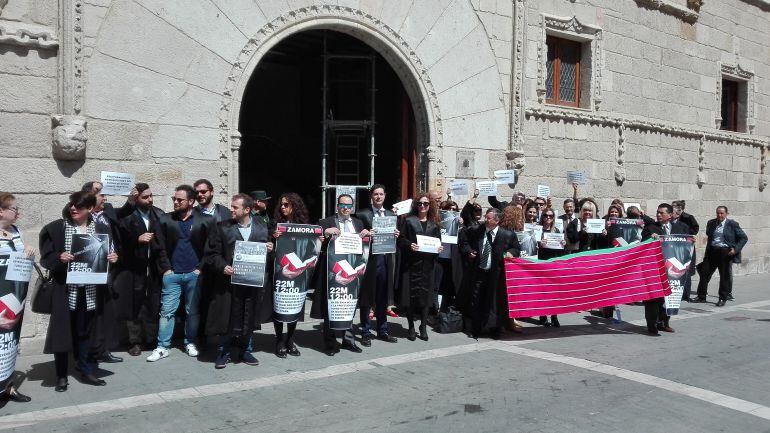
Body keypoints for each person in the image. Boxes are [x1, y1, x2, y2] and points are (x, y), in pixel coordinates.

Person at [39, 192, 119, 391]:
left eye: (79, 206)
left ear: (90, 209)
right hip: (65, 290)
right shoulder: (57, 228)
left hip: (90, 290)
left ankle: (86, 369)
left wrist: (113, 259)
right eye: (72, 204)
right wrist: (60, 258)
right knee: (62, 332)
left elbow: (109, 255)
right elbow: (46, 259)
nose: (74, 208)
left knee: (85, 332)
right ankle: (61, 375)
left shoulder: (101, 229)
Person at [146, 185, 216, 362]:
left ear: (191, 201)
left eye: (179, 200)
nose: (175, 202)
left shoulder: (205, 220)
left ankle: (190, 342)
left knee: (192, 311)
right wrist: (166, 269)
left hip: (195, 274)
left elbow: (211, 247)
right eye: (174, 199)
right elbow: (158, 246)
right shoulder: (165, 220)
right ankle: (162, 347)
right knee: (166, 312)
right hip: (172, 275)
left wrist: (200, 268)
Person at [205, 194, 272, 368]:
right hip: (229, 284)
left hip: (251, 283)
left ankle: (245, 351)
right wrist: (222, 266)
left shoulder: (261, 228)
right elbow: (212, 254)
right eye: (232, 207)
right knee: (228, 318)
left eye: (235, 207)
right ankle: (224, 352)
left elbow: (266, 258)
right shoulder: (222, 227)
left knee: (248, 317)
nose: (231, 210)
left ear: (247, 210)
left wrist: (271, 249)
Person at [312, 194, 367, 355]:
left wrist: (366, 235)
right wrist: (325, 232)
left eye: (349, 205)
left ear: (352, 207)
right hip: (333, 273)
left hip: (352, 272)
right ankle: (329, 343)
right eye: (342, 205)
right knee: (332, 307)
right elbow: (315, 240)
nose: (345, 208)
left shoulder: (358, 223)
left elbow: (363, 246)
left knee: (349, 306)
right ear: (337, 206)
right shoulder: (325, 222)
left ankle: (348, 341)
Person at [82, 181, 130, 364]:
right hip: (89, 272)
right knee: (91, 312)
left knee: (105, 311)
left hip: (108, 271)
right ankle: (88, 351)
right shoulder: (81, 216)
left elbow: (122, 214)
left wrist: (115, 255)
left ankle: (103, 349)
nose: (104, 197)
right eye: (100, 194)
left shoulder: (106, 212)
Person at [116, 183, 165, 356]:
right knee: (134, 305)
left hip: (153, 268)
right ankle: (135, 341)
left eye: (151, 196)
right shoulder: (127, 218)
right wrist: (137, 240)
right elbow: (119, 244)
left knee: (153, 303)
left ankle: (151, 339)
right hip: (134, 269)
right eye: (145, 197)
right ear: (136, 199)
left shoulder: (159, 214)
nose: (150, 200)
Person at [461, 208, 521, 339]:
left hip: (497, 274)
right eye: (485, 217)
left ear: (497, 220)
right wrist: (468, 251)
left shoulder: (507, 235)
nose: (485, 220)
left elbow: (516, 248)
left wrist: (511, 252)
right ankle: (476, 329)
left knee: (495, 302)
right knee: (476, 300)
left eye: (488, 218)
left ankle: (495, 329)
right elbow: (464, 240)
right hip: (480, 272)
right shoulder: (477, 230)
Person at [271, 192, 317, 358]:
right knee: (279, 307)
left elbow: (313, 250)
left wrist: (319, 240)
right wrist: (273, 238)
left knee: (295, 307)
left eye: (286, 204)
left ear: (295, 206)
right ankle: (279, 341)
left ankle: (290, 340)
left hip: (299, 274)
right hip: (280, 274)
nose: (282, 208)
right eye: (281, 205)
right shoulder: (275, 224)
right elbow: (268, 248)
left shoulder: (305, 226)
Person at [354, 184, 399, 346]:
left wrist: (396, 234)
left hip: (385, 259)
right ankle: (365, 331)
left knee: (382, 297)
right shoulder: (362, 214)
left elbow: (395, 238)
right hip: (369, 260)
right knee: (367, 297)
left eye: (381, 194)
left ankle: (383, 330)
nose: (378, 197)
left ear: (385, 196)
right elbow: (355, 235)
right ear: (371, 196)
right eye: (375, 194)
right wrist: (364, 233)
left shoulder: (390, 215)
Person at [0, 193, 34, 402]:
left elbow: (21, 261)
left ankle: (7, 387)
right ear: (1, 211)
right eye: (14, 208)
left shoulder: (16, 231)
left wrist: (28, 251)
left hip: (15, 298)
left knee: (10, 343)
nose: (18, 212)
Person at [397, 193, 443, 341]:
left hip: (428, 266)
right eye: (420, 203)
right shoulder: (409, 221)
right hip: (411, 265)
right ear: (416, 205)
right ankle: (411, 326)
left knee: (426, 297)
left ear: (430, 206)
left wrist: (439, 249)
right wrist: (409, 244)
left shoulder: (434, 224)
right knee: (410, 297)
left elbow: (438, 242)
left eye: (426, 204)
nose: (423, 206)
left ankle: (423, 326)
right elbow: (401, 240)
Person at [640, 203, 690, 335]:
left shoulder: (681, 228)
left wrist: (691, 242)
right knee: (653, 299)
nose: (658, 215)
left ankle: (664, 322)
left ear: (670, 215)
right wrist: (651, 239)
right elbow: (643, 245)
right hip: (655, 269)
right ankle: (652, 325)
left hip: (672, 269)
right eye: (657, 212)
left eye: (661, 213)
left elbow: (685, 244)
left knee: (669, 296)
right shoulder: (650, 228)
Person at [694, 206, 748, 306]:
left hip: (725, 252)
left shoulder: (732, 224)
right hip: (712, 251)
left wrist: (735, 249)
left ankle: (723, 298)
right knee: (704, 273)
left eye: (722, 213)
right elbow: (709, 235)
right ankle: (701, 296)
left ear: (727, 214)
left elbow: (744, 238)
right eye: (718, 213)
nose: (719, 215)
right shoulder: (711, 223)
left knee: (724, 276)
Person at [536, 208, 564, 328]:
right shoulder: (538, 230)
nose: (548, 218)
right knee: (543, 292)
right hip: (541, 264)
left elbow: (560, 252)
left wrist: (563, 245)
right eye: (546, 215)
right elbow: (532, 247)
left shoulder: (557, 230)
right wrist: (539, 244)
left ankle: (554, 316)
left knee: (554, 292)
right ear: (542, 217)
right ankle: (543, 316)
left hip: (553, 265)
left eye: (551, 216)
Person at [437, 201, 464, 312]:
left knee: (448, 285)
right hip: (439, 257)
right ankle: (435, 309)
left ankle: (444, 310)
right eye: (449, 209)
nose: (452, 211)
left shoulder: (458, 224)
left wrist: (461, 226)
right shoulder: (438, 221)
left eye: (454, 209)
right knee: (437, 285)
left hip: (451, 259)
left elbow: (464, 240)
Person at [672, 200, 699, 300]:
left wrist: (688, 237)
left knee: (686, 271)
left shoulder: (687, 219)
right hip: (674, 249)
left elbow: (694, 230)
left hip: (685, 248)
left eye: (673, 208)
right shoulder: (670, 222)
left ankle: (686, 295)